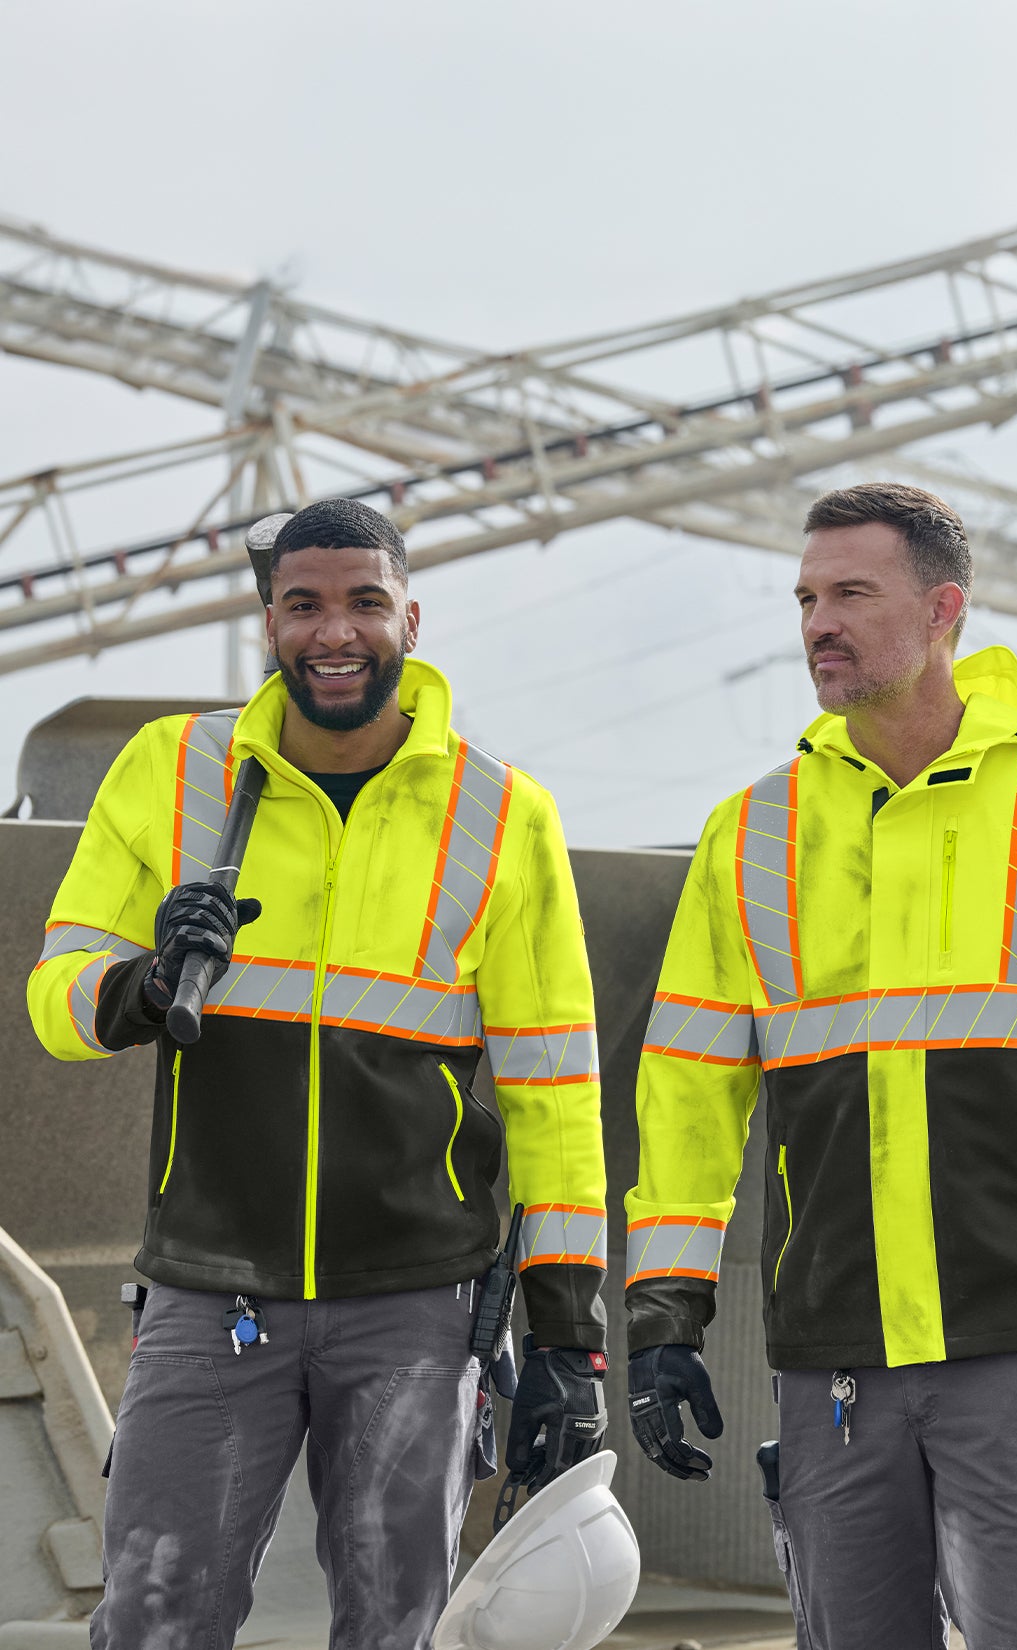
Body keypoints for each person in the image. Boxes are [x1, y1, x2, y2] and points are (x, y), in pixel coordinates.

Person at [623, 483, 1017, 1650]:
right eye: (806, 597)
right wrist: (665, 1317)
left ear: (943, 608)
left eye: (852, 592)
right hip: (835, 1359)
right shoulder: (751, 831)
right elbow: (690, 1090)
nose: (819, 623)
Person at [28, 498, 609, 1650]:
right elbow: (55, 998)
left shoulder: (503, 813)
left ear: (411, 618)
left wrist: (567, 1331)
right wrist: (144, 981)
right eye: (303, 606)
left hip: (416, 1304)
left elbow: (555, 1086)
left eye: (363, 602)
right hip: (209, 1289)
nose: (332, 630)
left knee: (399, 1626)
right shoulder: (173, 770)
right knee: (149, 1619)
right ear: (270, 623)